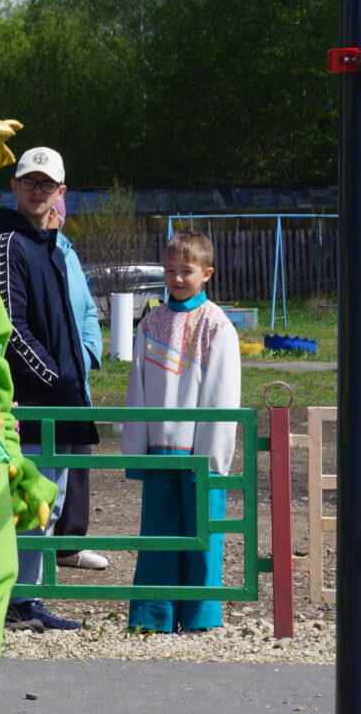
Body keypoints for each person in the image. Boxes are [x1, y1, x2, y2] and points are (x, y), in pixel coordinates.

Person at [0, 146, 103, 632]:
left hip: (63, 400)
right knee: (26, 501)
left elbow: (75, 319)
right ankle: (12, 601)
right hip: (33, 403)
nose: (36, 190)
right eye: (28, 182)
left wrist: (75, 375)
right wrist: (54, 378)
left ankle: (24, 598)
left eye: (45, 184)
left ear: (60, 192)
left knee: (47, 504)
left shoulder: (49, 244)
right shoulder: (7, 244)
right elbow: (10, 329)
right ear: (14, 186)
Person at [122, 230, 241, 633]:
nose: (176, 279)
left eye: (186, 271)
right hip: (158, 447)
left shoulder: (216, 325)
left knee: (201, 535)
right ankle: (152, 616)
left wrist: (211, 458)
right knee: (157, 534)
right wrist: (135, 449)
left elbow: (221, 395)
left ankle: (200, 617)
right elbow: (136, 388)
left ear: (207, 273)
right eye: (170, 270)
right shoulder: (150, 322)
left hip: (199, 449)